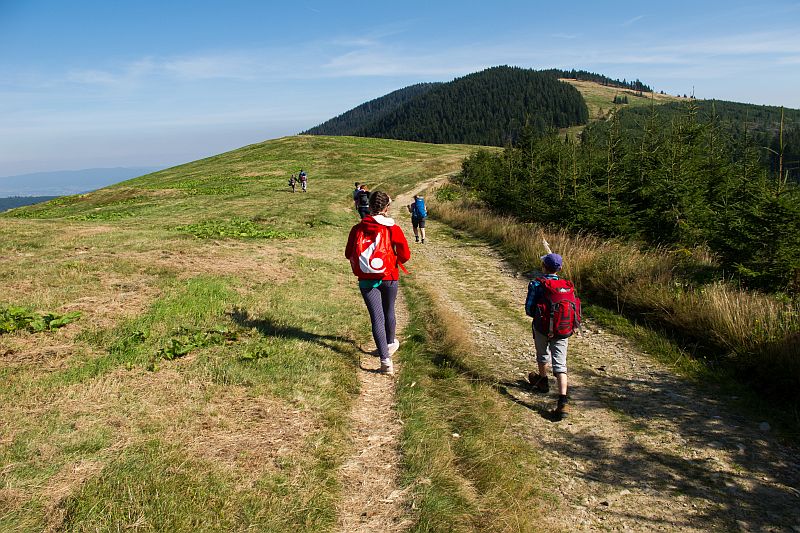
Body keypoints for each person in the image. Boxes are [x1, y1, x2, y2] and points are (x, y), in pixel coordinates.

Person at [345, 191, 410, 375]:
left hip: (366, 280)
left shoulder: (358, 228)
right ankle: (389, 344)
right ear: (386, 208)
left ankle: (385, 361)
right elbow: (405, 255)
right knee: (389, 311)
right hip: (389, 276)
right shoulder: (393, 228)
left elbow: (348, 253)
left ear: (369, 206)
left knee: (377, 317)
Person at [525, 253, 581, 420]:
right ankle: (562, 401)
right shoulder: (567, 285)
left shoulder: (536, 283)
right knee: (560, 364)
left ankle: (543, 380)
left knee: (542, 355)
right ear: (560, 268)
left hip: (542, 327)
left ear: (543, 267)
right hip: (563, 330)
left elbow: (529, 309)